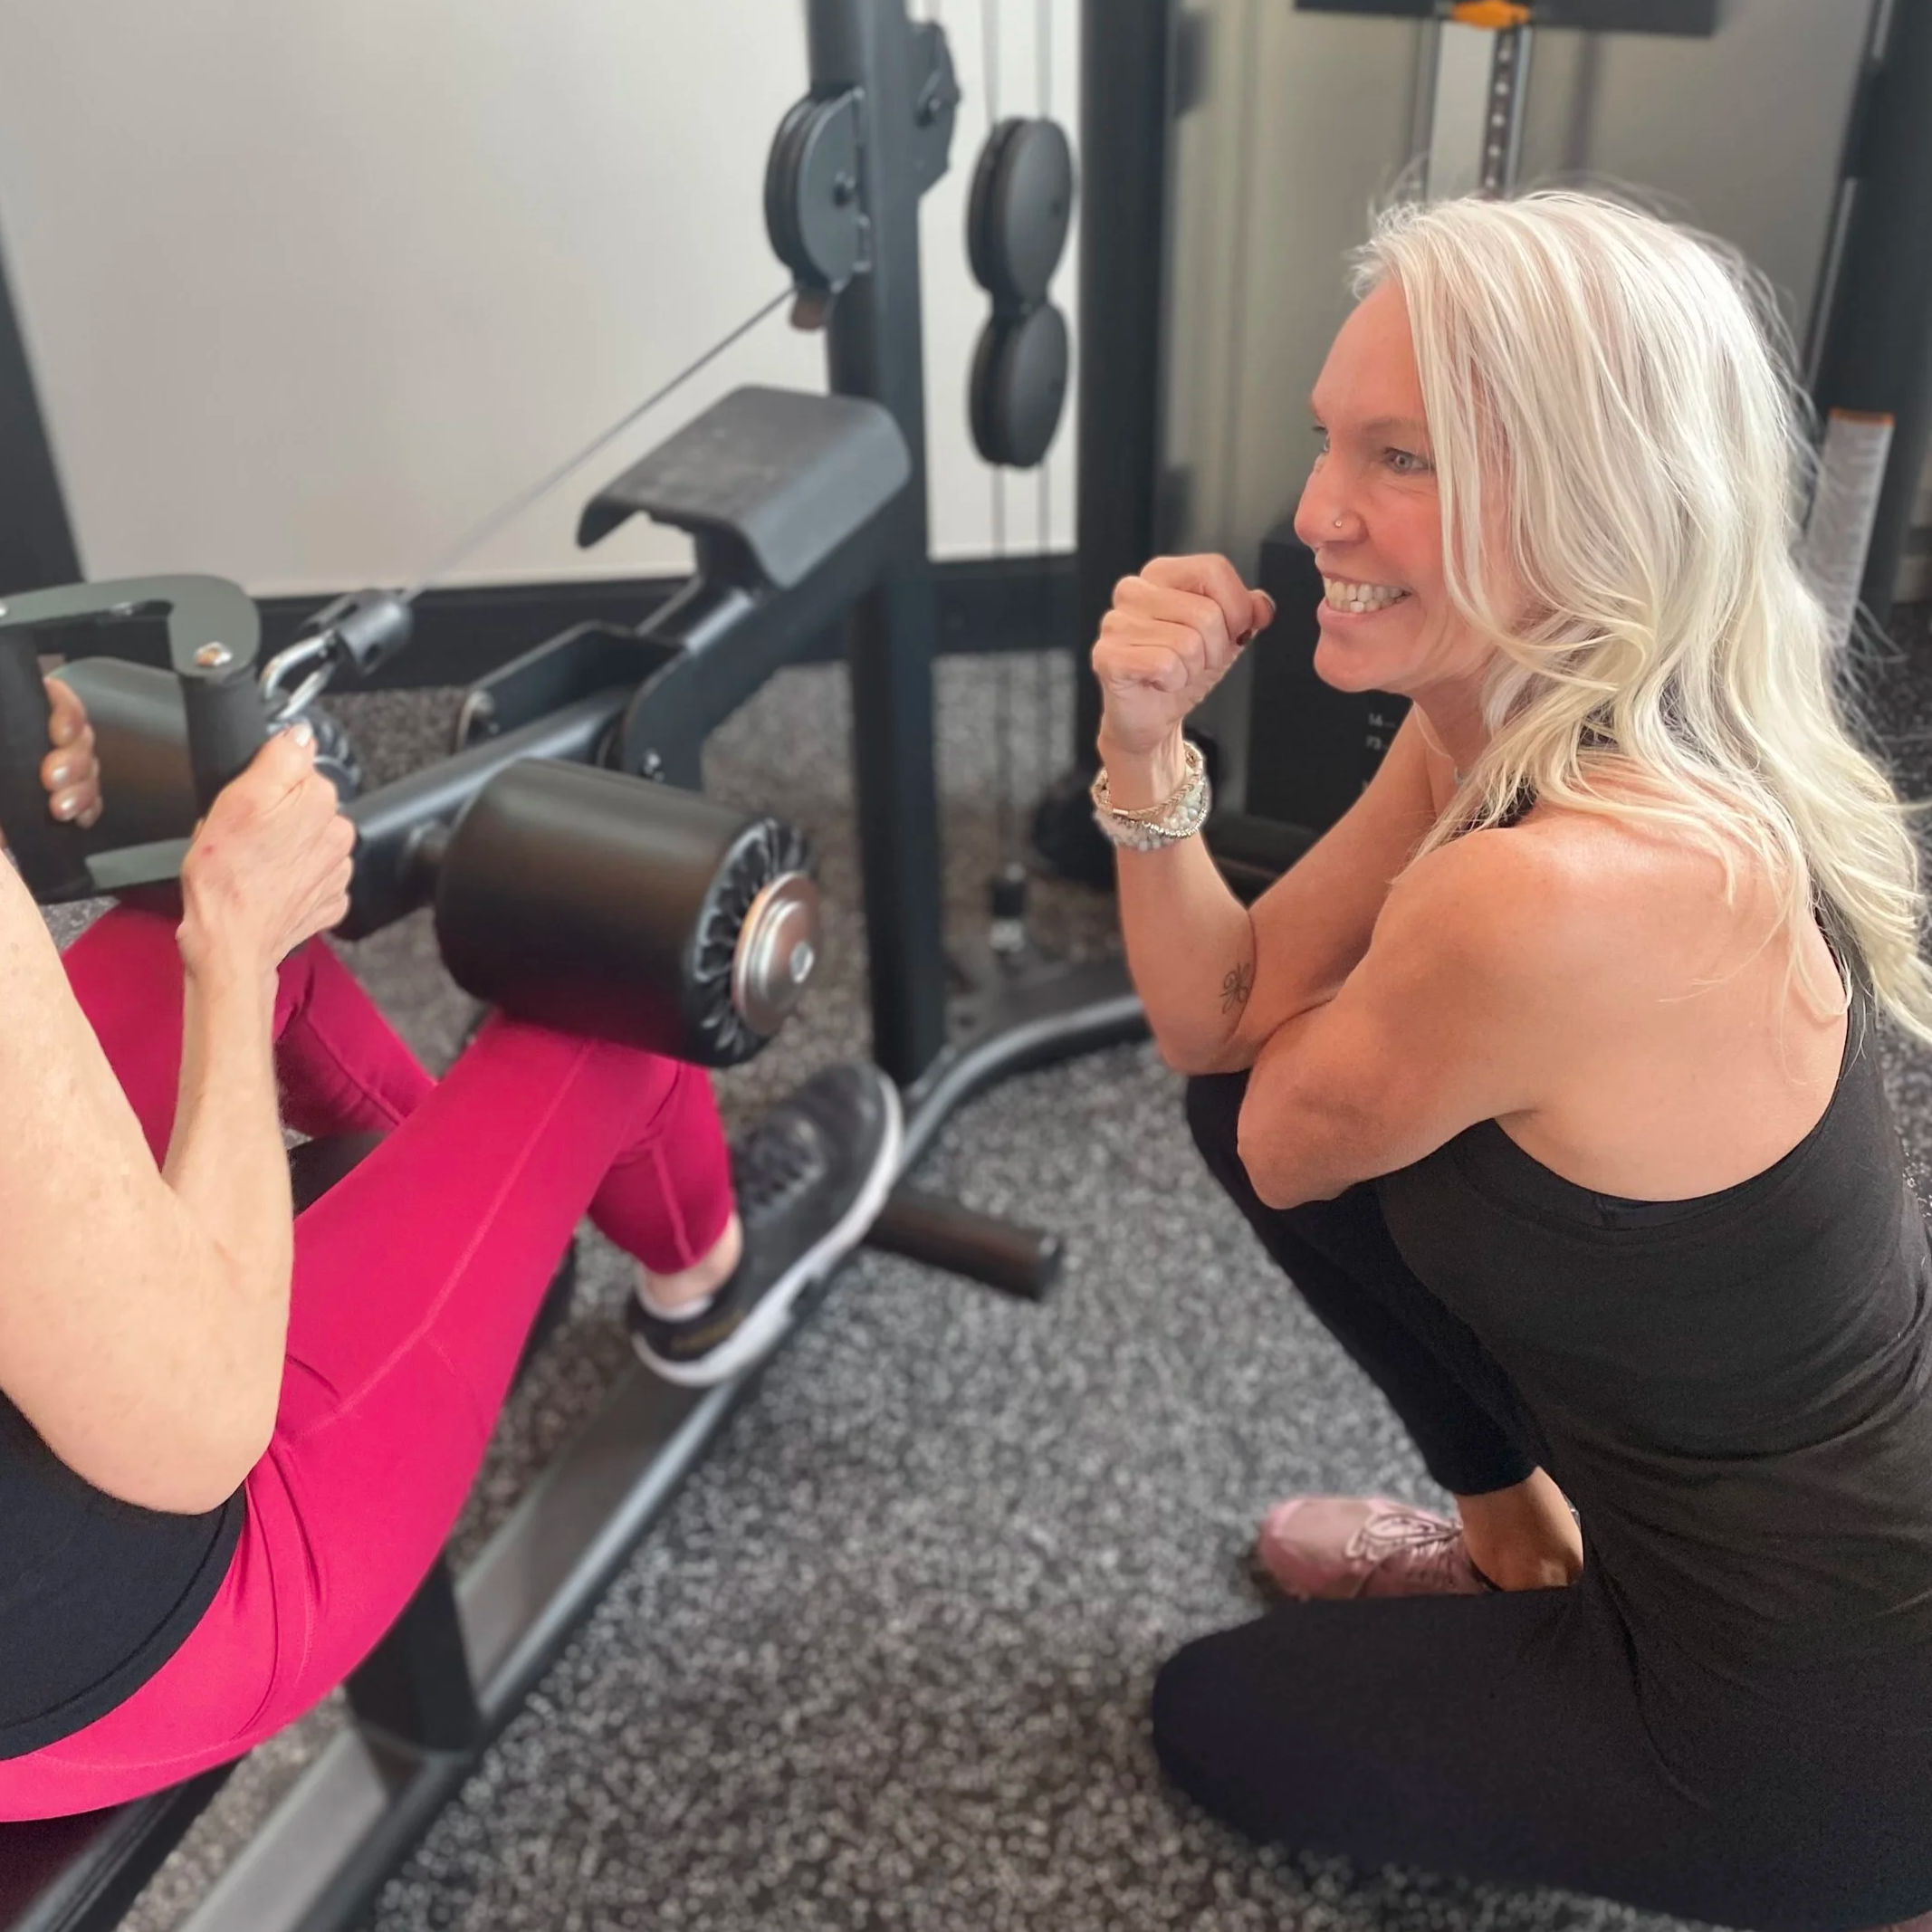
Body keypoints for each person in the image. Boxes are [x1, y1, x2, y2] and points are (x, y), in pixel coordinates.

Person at [1093, 192, 1932, 1931]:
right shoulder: (1548, 709)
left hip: (1814, 1709)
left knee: (1207, 1716)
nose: (1314, 511)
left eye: (1397, 457)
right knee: (1271, 1089)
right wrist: (1140, 748)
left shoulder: (1542, 888)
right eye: (1327, 439)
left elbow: (1285, 1137)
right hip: (1747, 1526)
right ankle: (1516, 1542)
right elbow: (1215, 1021)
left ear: (1590, 496)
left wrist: (1362, 966)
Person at [0, 686, 898, 1819]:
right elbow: (198, 1427)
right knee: (609, 1017)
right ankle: (707, 1287)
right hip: (125, 1637)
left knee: (179, 934)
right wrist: (236, 954)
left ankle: (484, 1229)